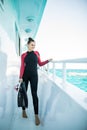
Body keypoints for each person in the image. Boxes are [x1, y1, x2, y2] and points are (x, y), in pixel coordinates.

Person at [19, 37, 52, 125]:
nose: (33, 46)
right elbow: (22, 66)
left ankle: (36, 115)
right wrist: (20, 77)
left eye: (34, 45)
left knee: (34, 94)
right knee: (24, 93)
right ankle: (23, 110)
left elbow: (40, 63)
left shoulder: (37, 53)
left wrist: (47, 61)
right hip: (25, 76)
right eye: (32, 45)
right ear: (28, 45)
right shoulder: (23, 55)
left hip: (34, 76)